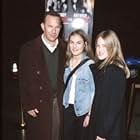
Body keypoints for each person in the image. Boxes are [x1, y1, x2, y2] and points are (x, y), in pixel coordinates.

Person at [19, 10, 66, 140]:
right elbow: (22, 80)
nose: (53, 31)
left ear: (60, 28)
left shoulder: (65, 48)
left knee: (56, 136)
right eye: (50, 26)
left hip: (58, 101)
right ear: (42, 26)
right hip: (37, 103)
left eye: (57, 27)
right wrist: (27, 104)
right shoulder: (28, 49)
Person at [89, 30, 130, 140]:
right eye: (98, 45)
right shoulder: (104, 68)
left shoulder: (115, 71)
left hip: (109, 132)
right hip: (103, 128)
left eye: (105, 46)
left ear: (113, 47)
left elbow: (113, 108)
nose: (100, 49)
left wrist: (102, 133)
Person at [63, 29, 95, 140]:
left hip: (83, 111)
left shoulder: (90, 65)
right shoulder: (66, 63)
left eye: (78, 43)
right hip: (67, 109)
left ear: (85, 44)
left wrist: (90, 115)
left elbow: (93, 92)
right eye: (72, 42)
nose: (74, 46)